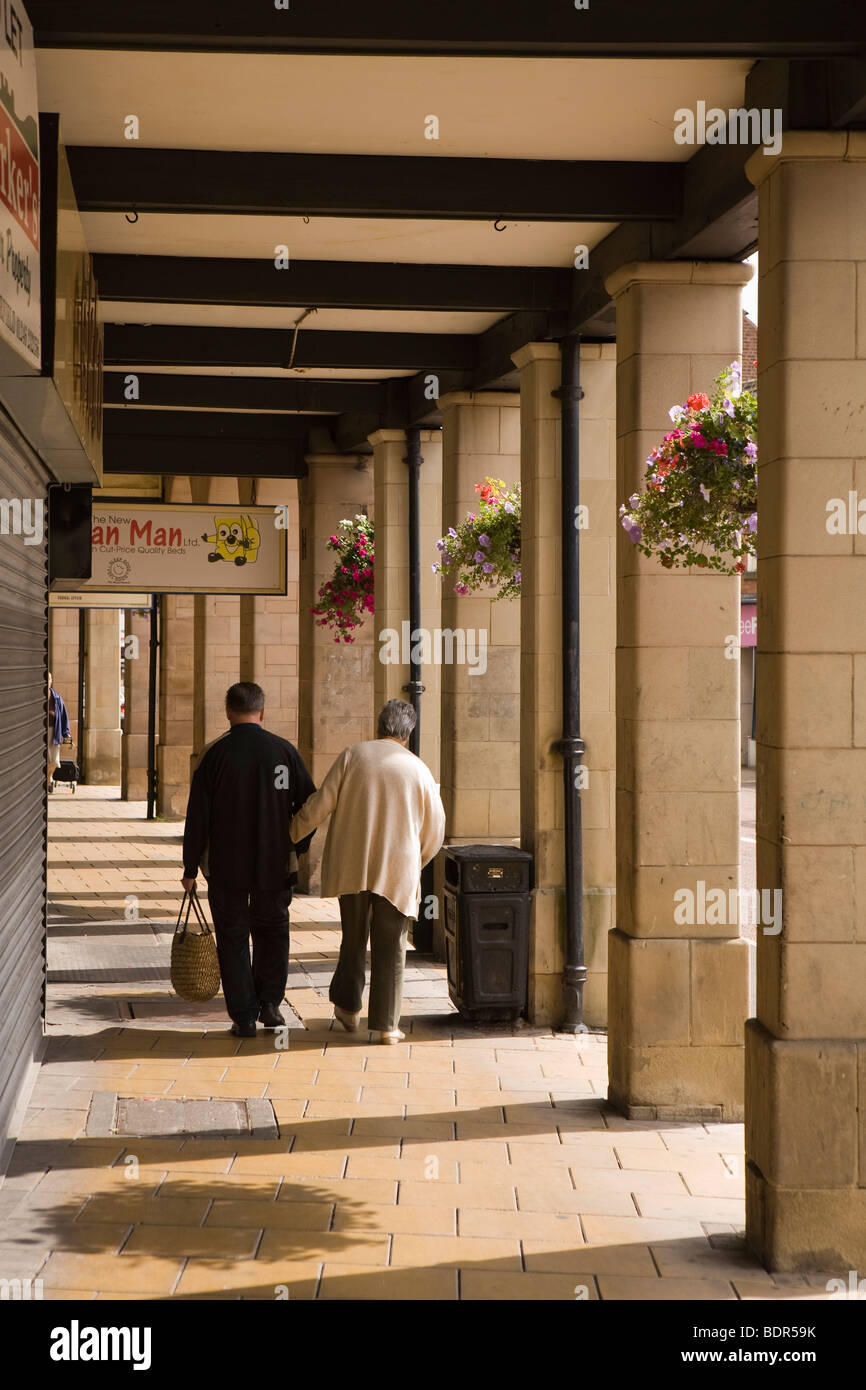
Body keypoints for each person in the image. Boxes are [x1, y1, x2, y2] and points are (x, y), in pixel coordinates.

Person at [290, 699, 445, 1044]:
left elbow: (321, 803)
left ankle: (347, 1007)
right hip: (397, 869)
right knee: (393, 946)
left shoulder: (353, 755)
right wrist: (416, 862)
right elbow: (436, 828)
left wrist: (291, 833)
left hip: (353, 863)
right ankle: (385, 1026)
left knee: (354, 937)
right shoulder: (419, 769)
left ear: (379, 726)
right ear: (409, 733)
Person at [181, 681, 316, 1037]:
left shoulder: (215, 754)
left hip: (227, 866)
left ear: (228, 711)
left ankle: (243, 1016)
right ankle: (270, 1003)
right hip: (274, 863)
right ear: (262, 711)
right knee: (273, 930)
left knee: (233, 936)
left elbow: (198, 815)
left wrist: (190, 866)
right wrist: (297, 846)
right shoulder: (283, 751)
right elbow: (311, 805)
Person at [47, 671, 71, 793]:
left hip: (54, 732)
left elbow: (64, 716)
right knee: (45, 758)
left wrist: (66, 734)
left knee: (54, 761)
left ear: (51, 681)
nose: (47, 681)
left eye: (49, 679)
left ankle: (49, 777)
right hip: (41, 733)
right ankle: (47, 781)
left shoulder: (56, 698)